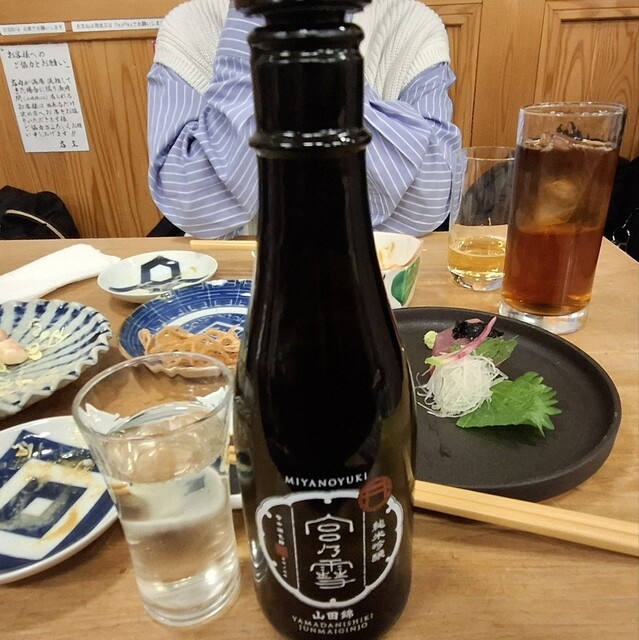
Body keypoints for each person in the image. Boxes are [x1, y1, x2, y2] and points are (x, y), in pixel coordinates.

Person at [147, 0, 462, 238]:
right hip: (232, 280)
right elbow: (195, 207)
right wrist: (257, 20)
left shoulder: (413, 24)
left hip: (371, 271)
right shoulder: (189, 25)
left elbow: (426, 203)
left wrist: (319, 41)